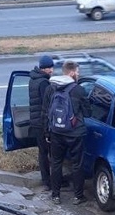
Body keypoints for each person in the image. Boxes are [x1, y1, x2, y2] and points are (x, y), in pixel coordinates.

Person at [42, 60, 91, 205]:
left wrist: (47, 133)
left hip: (56, 132)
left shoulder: (51, 88)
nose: (78, 74)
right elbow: (88, 113)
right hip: (75, 133)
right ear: (71, 72)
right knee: (77, 164)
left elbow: (45, 112)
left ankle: (55, 195)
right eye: (77, 72)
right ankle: (78, 196)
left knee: (56, 163)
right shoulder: (79, 90)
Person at [28, 54, 54, 191]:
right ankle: (50, 181)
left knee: (42, 152)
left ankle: (46, 179)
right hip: (42, 122)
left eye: (51, 67)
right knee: (49, 152)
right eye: (49, 68)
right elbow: (47, 104)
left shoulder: (33, 79)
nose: (51, 70)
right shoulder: (43, 82)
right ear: (43, 69)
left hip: (35, 121)